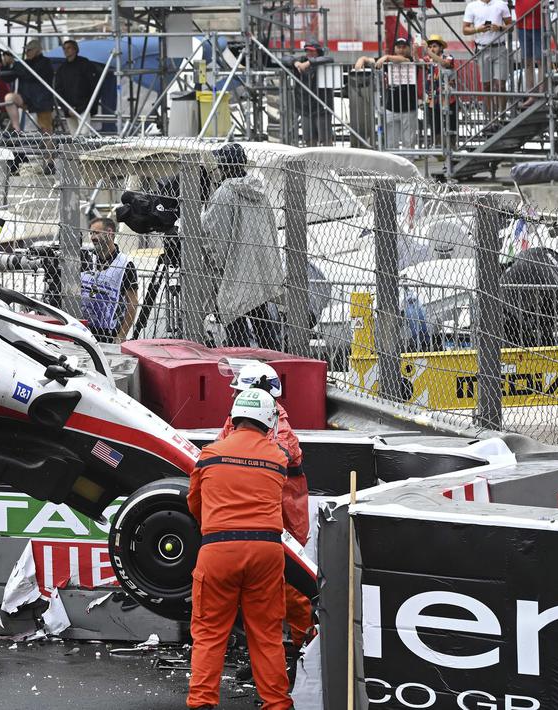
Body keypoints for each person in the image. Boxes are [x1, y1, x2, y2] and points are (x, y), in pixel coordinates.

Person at [186, 388, 293, 710]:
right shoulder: (278, 457)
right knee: (267, 634)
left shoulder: (210, 454)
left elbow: (194, 503)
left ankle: (202, 702)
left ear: (234, 416)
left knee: (209, 632)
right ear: (268, 420)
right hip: (266, 551)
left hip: (219, 549)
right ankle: (277, 703)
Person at [216, 363, 312, 669]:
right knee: (253, 591)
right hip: (253, 517)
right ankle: (264, 654)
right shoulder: (234, 420)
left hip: (283, 519)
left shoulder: (280, 428)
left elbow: (272, 457)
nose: (235, 397)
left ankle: (304, 650)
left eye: (240, 392)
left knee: (292, 589)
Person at [200, 143, 285, 350]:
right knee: (262, 322)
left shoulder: (224, 193)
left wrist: (217, 266)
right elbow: (270, 230)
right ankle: (273, 361)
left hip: (234, 270)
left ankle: (242, 363)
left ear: (223, 167)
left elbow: (214, 235)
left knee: (235, 326)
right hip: (259, 268)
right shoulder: (260, 192)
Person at [80, 216, 139, 342]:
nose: (92, 237)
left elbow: (132, 303)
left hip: (109, 333)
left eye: (96, 233)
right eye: (91, 233)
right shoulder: (87, 259)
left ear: (109, 233)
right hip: (82, 329)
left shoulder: (125, 264)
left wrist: (122, 335)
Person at [355, 38, 417, 149]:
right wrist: (361, 60)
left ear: (409, 48)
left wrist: (386, 57)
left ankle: (410, 159)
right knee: (391, 142)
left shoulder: (411, 59)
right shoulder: (387, 61)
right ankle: (393, 159)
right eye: (398, 47)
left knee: (409, 141)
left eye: (404, 47)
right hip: (391, 108)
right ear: (395, 48)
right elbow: (368, 60)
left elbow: (404, 60)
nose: (401, 50)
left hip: (409, 109)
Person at [464, 0, 513, 113]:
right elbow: (465, 30)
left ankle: (502, 116)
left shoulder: (501, 4)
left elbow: (511, 26)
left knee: (501, 85)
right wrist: (478, 29)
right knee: (486, 85)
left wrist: (500, 28)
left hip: (499, 48)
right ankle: (491, 117)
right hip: (482, 49)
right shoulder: (471, 6)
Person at [288, 41, 333, 146]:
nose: (309, 53)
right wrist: (296, 63)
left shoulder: (322, 61)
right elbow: (285, 59)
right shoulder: (301, 60)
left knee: (326, 139)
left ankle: (329, 157)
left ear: (318, 52)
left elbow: (330, 59)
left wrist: (309, 63)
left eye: (312, 51)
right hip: (305, 108)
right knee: (309, 140)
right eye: (307, 51)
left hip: (321, 108)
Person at [4, 40, 55, 134]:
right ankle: (16, 128)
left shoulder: (45, 62)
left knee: (46, 130)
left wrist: (14, 63)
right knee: (9, 98)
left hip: (42, 101)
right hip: (27, 98)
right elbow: (7, 79)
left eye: (29, 50)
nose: (27, 52)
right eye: (26, 50)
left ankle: (48, 143)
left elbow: (30, 75)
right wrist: (6, 65)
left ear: (37, 50)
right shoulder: (24, 63)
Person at [52, 39, 102, 135]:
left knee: (84, 133)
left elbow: (93, 86)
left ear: (75, 49)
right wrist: (66, 108)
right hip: (69, 108)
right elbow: (58, 91)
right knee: (74, 135)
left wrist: (86, 106)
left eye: (69, 48)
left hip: (84, 107)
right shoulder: (62, 69)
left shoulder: (85, 64)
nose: (66, 51)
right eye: (64, 49)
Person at [423, 35, 457, 145]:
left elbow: (445, 63)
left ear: (441, 47)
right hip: (432, 98)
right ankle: (437, 147)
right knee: (435, 126)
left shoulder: (448, 57)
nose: (432, 49)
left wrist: (429, 52)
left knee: (451, 125)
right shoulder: (427, 59)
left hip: (448, 97)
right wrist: (414, 51)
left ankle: (452, 147)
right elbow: (417, 61)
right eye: (430, 47)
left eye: (434, 46)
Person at [515, 0, 544, 95]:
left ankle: (541, 92)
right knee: (527, 62)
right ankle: (531, 94)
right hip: (522, 26)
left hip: (539, 25)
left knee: (540, 61)